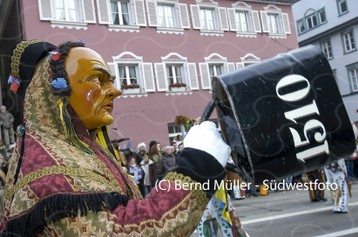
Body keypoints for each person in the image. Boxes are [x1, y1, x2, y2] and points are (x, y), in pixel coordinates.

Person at [0, 40, 236, 236]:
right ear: (56, 97)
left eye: (111, 80)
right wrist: (197, 167)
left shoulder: (83, 153)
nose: (115, 90)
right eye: (96, 79)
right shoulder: (51, 173)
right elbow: (127, 231)